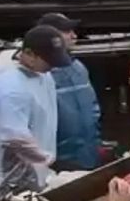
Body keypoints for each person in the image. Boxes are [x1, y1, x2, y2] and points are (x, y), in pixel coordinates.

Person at [0, 25, 69, 197]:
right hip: (7, 172)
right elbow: (14, 136)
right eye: (49, 61)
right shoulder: (10, 85)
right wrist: (44, 158)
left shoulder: (40, 73)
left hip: (35, 166)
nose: (52, 66)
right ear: (29, 54)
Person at [38, 12, 102, 171]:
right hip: (58, 160)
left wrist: (96, 138)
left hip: (89, 155)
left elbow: (93, 106)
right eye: (67, 31)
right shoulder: (40, 73)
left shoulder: (78, 68)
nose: (74, 35)